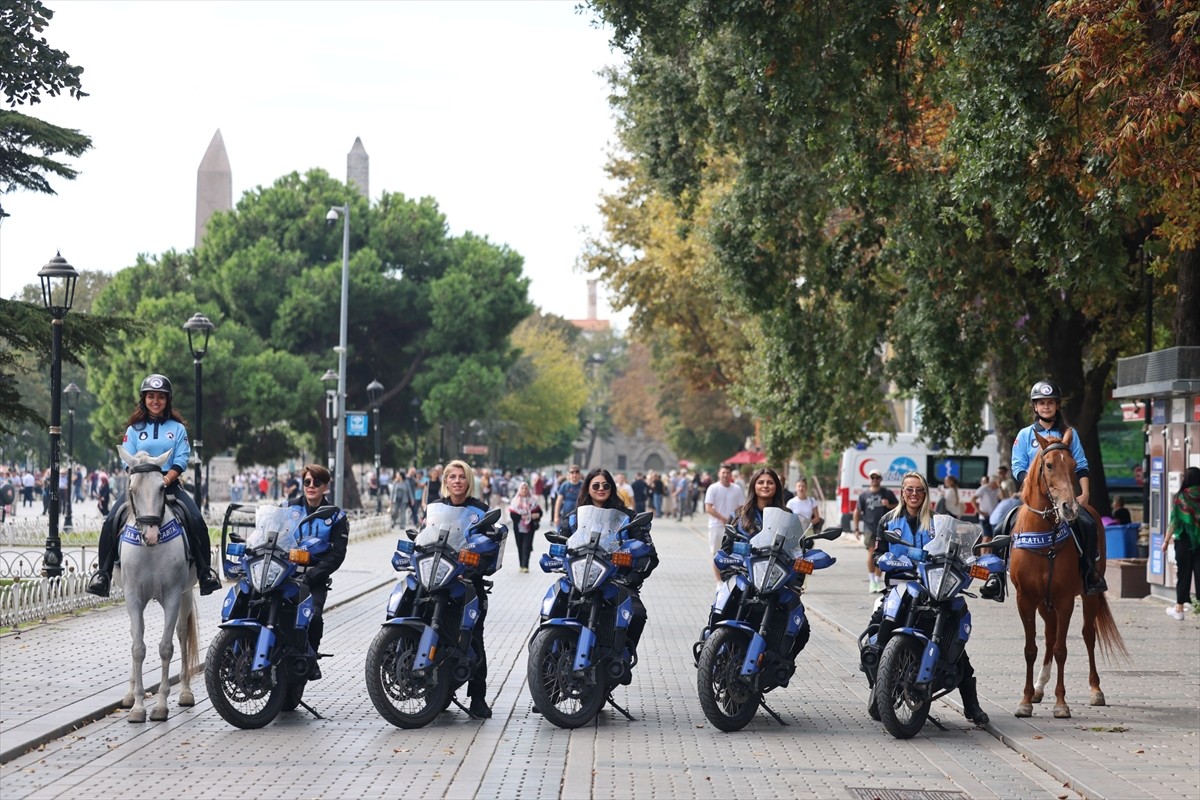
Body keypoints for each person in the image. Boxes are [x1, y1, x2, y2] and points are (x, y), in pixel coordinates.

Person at [87, 374, 222, 598]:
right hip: (140, 489)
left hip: (170, 486)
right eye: (151, 396)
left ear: (168, 400)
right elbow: (126, 458)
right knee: (111, 520)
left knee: (197, 520)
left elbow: (181, 458)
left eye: (160, 397)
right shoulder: (133, 429)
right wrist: (142, 476)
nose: (155, 401)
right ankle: (103, 574)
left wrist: (165, 479)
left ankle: (205, 572)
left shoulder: (177, 428)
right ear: (144, 399)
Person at [872, 471, 989, 725]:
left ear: (926, 494)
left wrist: (973, 564)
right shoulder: (888, 521)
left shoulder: (938, 522)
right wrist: (893, 559)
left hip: (935, 587)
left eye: (919, 490)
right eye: (909, 489)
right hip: (900, 586)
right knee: (878, 627)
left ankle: (971, 706)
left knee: (957, 643)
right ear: (902, 492)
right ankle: (878, 689)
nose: (914, 494)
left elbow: (958, 550)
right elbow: (877, 555)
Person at [1011, 380, 1105, 594]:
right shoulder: (1024, 435)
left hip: (1064, 496)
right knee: (1002, 525)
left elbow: (1080, 465)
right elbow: (1017, 466)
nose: (1046, 407)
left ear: (1057, 406)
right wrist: (1029, 483)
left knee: (1089, 525)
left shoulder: (1069, 433)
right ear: (1034, 407)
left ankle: (1091, 572)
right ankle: (996, 577)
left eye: (1050, 403)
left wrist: (1086, 493)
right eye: (1041, 403)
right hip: (1033, 499)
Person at [427, 459, 502, 718]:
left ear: (468, 481)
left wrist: (474, 565)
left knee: (474, 638)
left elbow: (489, 545)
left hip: (467, 582)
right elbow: (424, 535)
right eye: (452, 477)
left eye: (462, 477)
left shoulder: (479, 510)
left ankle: (478, 698)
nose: (457, 481)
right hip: (436, 580)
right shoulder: (435, 508)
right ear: (445, 481)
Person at [557, 467, 657, 652]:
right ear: (588, 488)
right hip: (579, 578)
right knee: (554, 602)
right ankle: (547, 655)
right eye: (595, 485)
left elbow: (649, 555)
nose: (601, 488)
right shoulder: (573, 519)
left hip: (616, 580)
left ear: (611, 488)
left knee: (637, 614)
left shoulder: (629, 518)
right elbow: (561, 545)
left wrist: (633, 576)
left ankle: (624, 653)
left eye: (606, 485)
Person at [289, 464, 348, 677]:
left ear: (326, 487)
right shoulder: (288, 508)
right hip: (284, 575)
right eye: (307, 482)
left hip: (314, 580)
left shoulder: (336, 516)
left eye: (317, 482)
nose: (311, 486)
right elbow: (273, 533)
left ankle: (310, 659)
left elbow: (337, 555)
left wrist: (311, 576)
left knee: (312, 617)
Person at [1163, 466, 1200, 621]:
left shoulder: (1181, 498)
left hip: (1183, 540)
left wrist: (1166, 541)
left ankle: (1179, 609)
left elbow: (1174, 522)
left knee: (1183, 574)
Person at [853, 469, 897, 593]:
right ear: (869, 479)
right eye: (872, 477)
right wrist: (856, 529)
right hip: (869, 528)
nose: (875, 480)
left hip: (884, 527)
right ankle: (872, 580)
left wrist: (889, 505)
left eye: (877, 477)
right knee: (872, 553)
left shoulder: (887, 493)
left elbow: (899, 507)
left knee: (882, 555)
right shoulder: (864, 495)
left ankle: (878, 580)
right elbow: (857, 512)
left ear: (880, 479)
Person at [704, 465, 745, 583]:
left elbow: (741, 507)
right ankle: (719, 582)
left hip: (733, 528)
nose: (725, 475)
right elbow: (708, 507)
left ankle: (730, 580)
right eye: (723, 473)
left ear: (731, 475)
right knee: (717, 554)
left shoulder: (737, 489)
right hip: (716, 526)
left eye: (728, 473)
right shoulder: (713, 488)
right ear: (719, 474)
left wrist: (735, 520)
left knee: (732, 555)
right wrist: (722, 518)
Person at [508, 480, 542, 573]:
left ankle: (525, 565)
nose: (524, 490)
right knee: (520, 545)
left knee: (527, 546)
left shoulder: (533, 500)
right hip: (518, 527)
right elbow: (512, 515)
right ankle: (521, 565)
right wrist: (521, 517)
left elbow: (539, 512)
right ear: (519, 489)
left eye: (526, 488)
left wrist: (536, 515)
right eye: (522, 488)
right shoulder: (515, 501)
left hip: (529, 527)